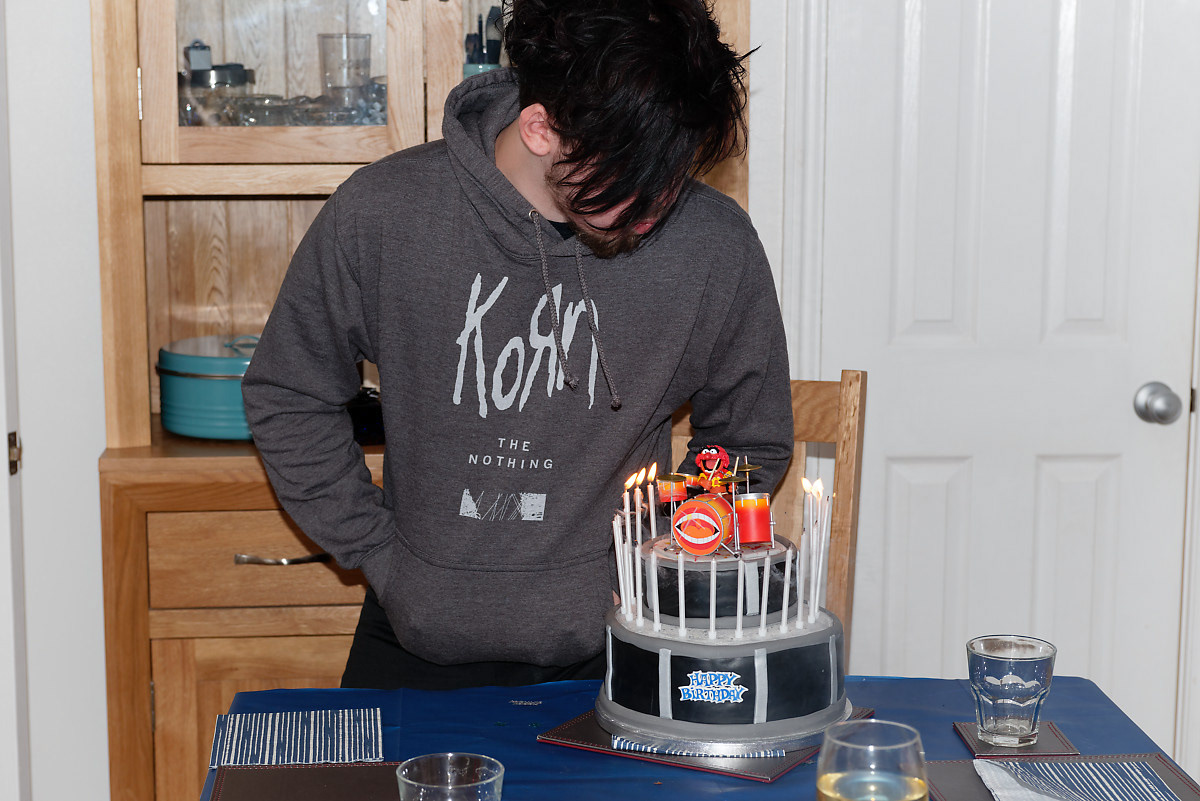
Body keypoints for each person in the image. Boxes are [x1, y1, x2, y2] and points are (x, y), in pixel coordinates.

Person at [241, 0, 794, 691]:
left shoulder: (715, 244)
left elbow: (747, 440)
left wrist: (671, 555)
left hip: (622, 645)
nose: (658, 210)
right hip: (413, 635)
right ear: (541, 129)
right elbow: (289, 392)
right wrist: (378, 551)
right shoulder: (382, 213)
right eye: (635, 178)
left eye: (674, 175)